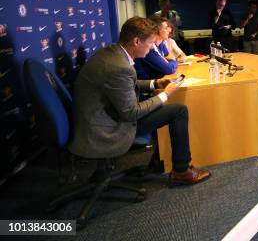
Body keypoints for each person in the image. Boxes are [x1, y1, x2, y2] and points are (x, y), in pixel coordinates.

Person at [69, 17, 211, 186]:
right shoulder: (120, 67)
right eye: (150, 43)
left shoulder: (112, 53)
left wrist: (155, 83)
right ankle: (182, 172)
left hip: (97, 117)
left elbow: (124, 85)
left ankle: (163, 162)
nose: (152, 47)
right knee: (178, 111)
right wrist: (165, 95)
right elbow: (131, 113)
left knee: (166, 106)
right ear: (137, 41)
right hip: (106, 129)